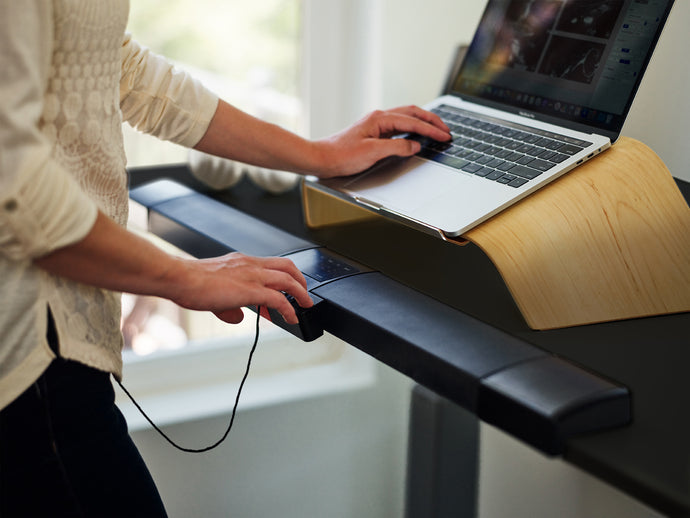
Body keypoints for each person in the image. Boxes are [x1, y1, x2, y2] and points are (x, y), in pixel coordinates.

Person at [0, 2, 450, 516]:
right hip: (27, 351)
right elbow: (11, 181)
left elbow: (113, 64)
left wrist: (318, 154)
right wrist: (183, 277)